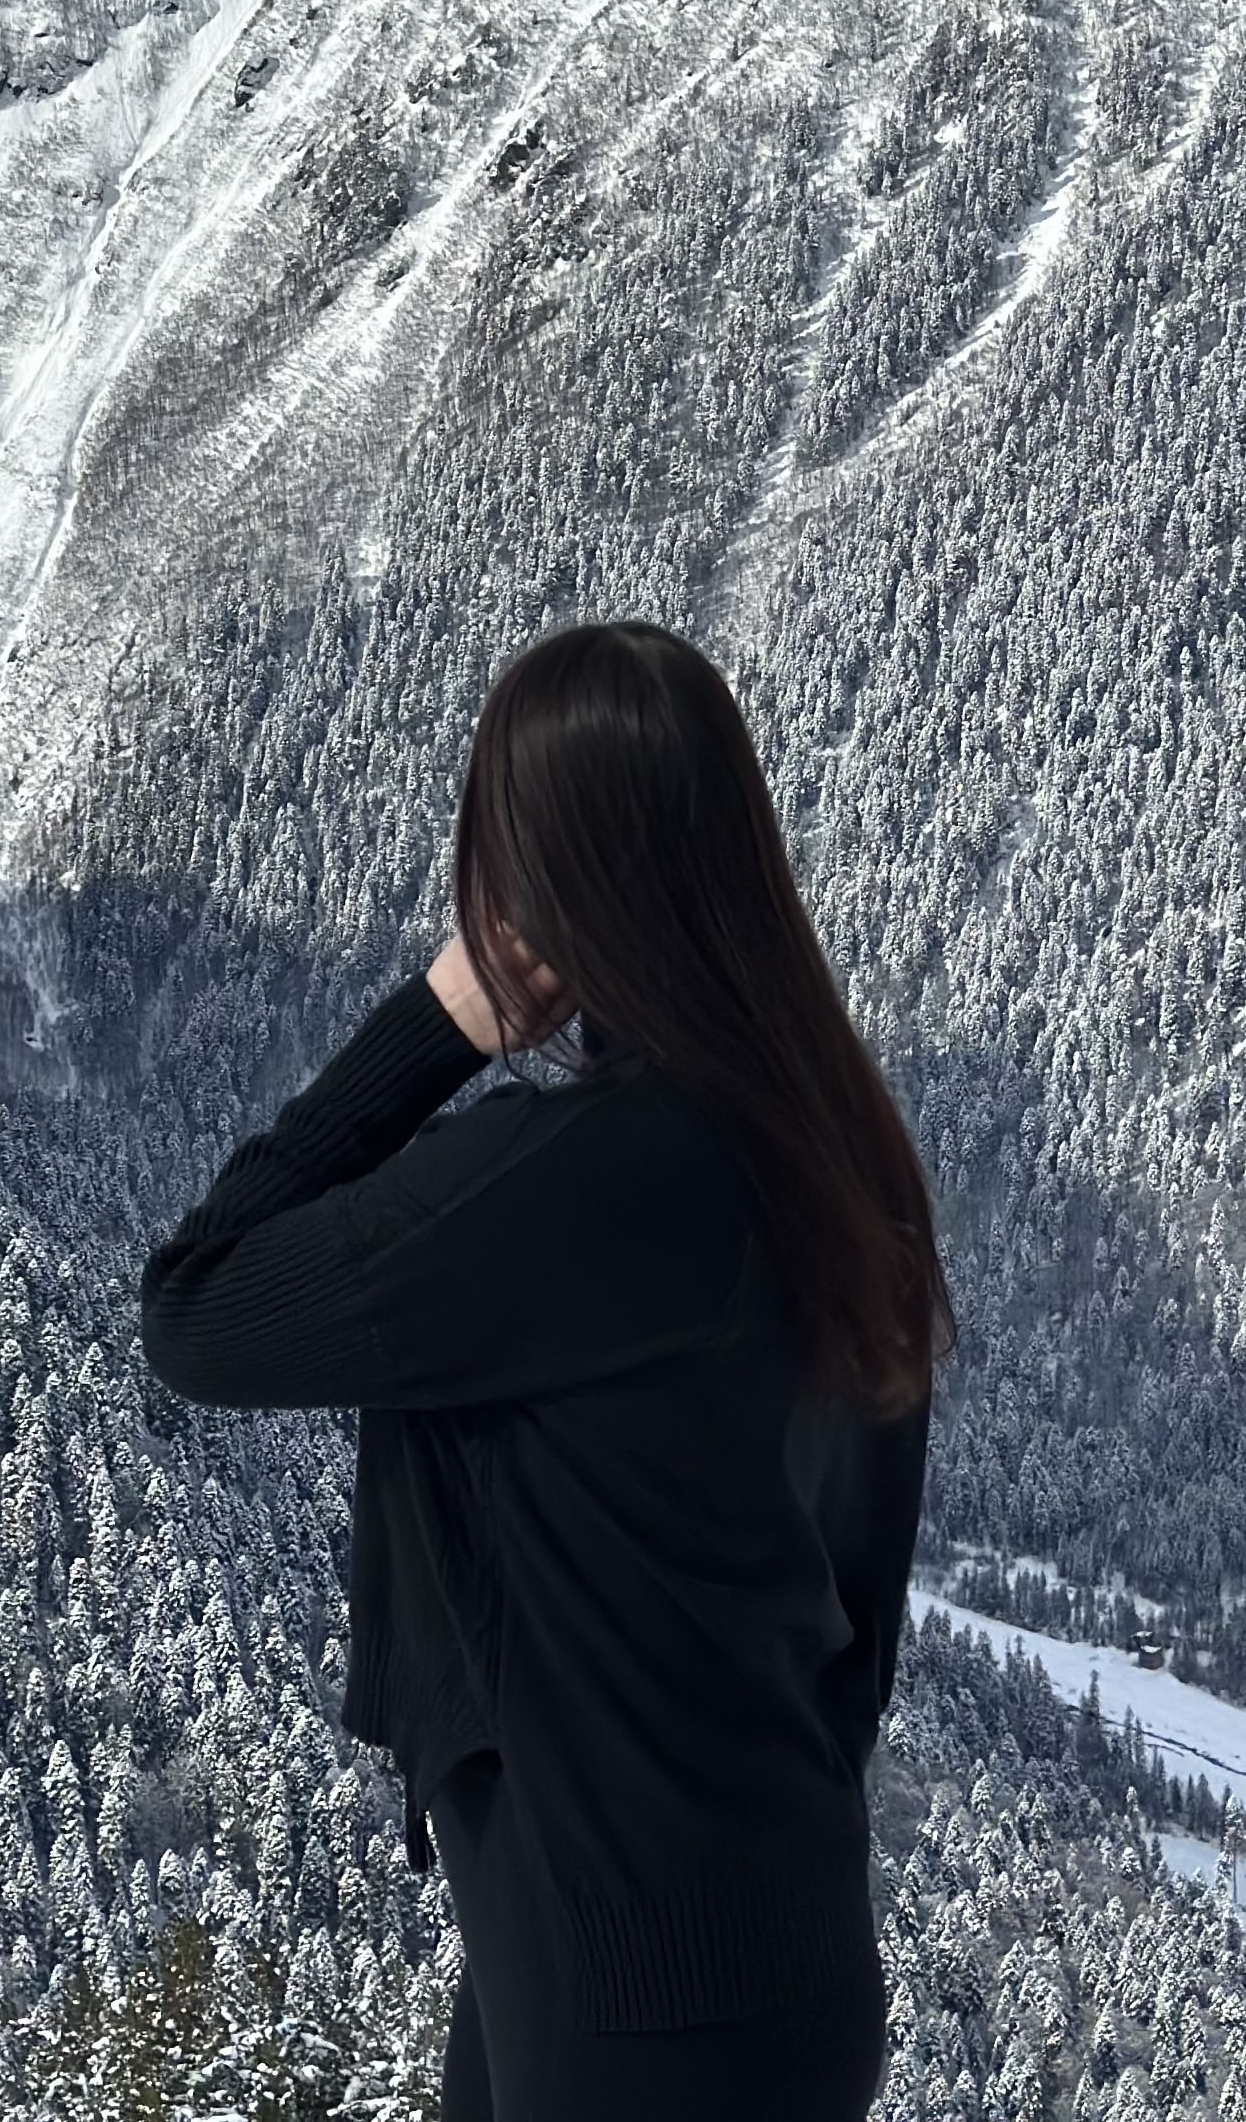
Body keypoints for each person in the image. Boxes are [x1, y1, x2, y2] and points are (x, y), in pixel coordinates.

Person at [138, 621, 947, 2122]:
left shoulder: (581, 1183)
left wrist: (443, 1023)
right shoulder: (833, 1146)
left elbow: (199, 1304)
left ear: (548, 884)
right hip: (751, 1950)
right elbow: (855, 1617)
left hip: (629, 2008)